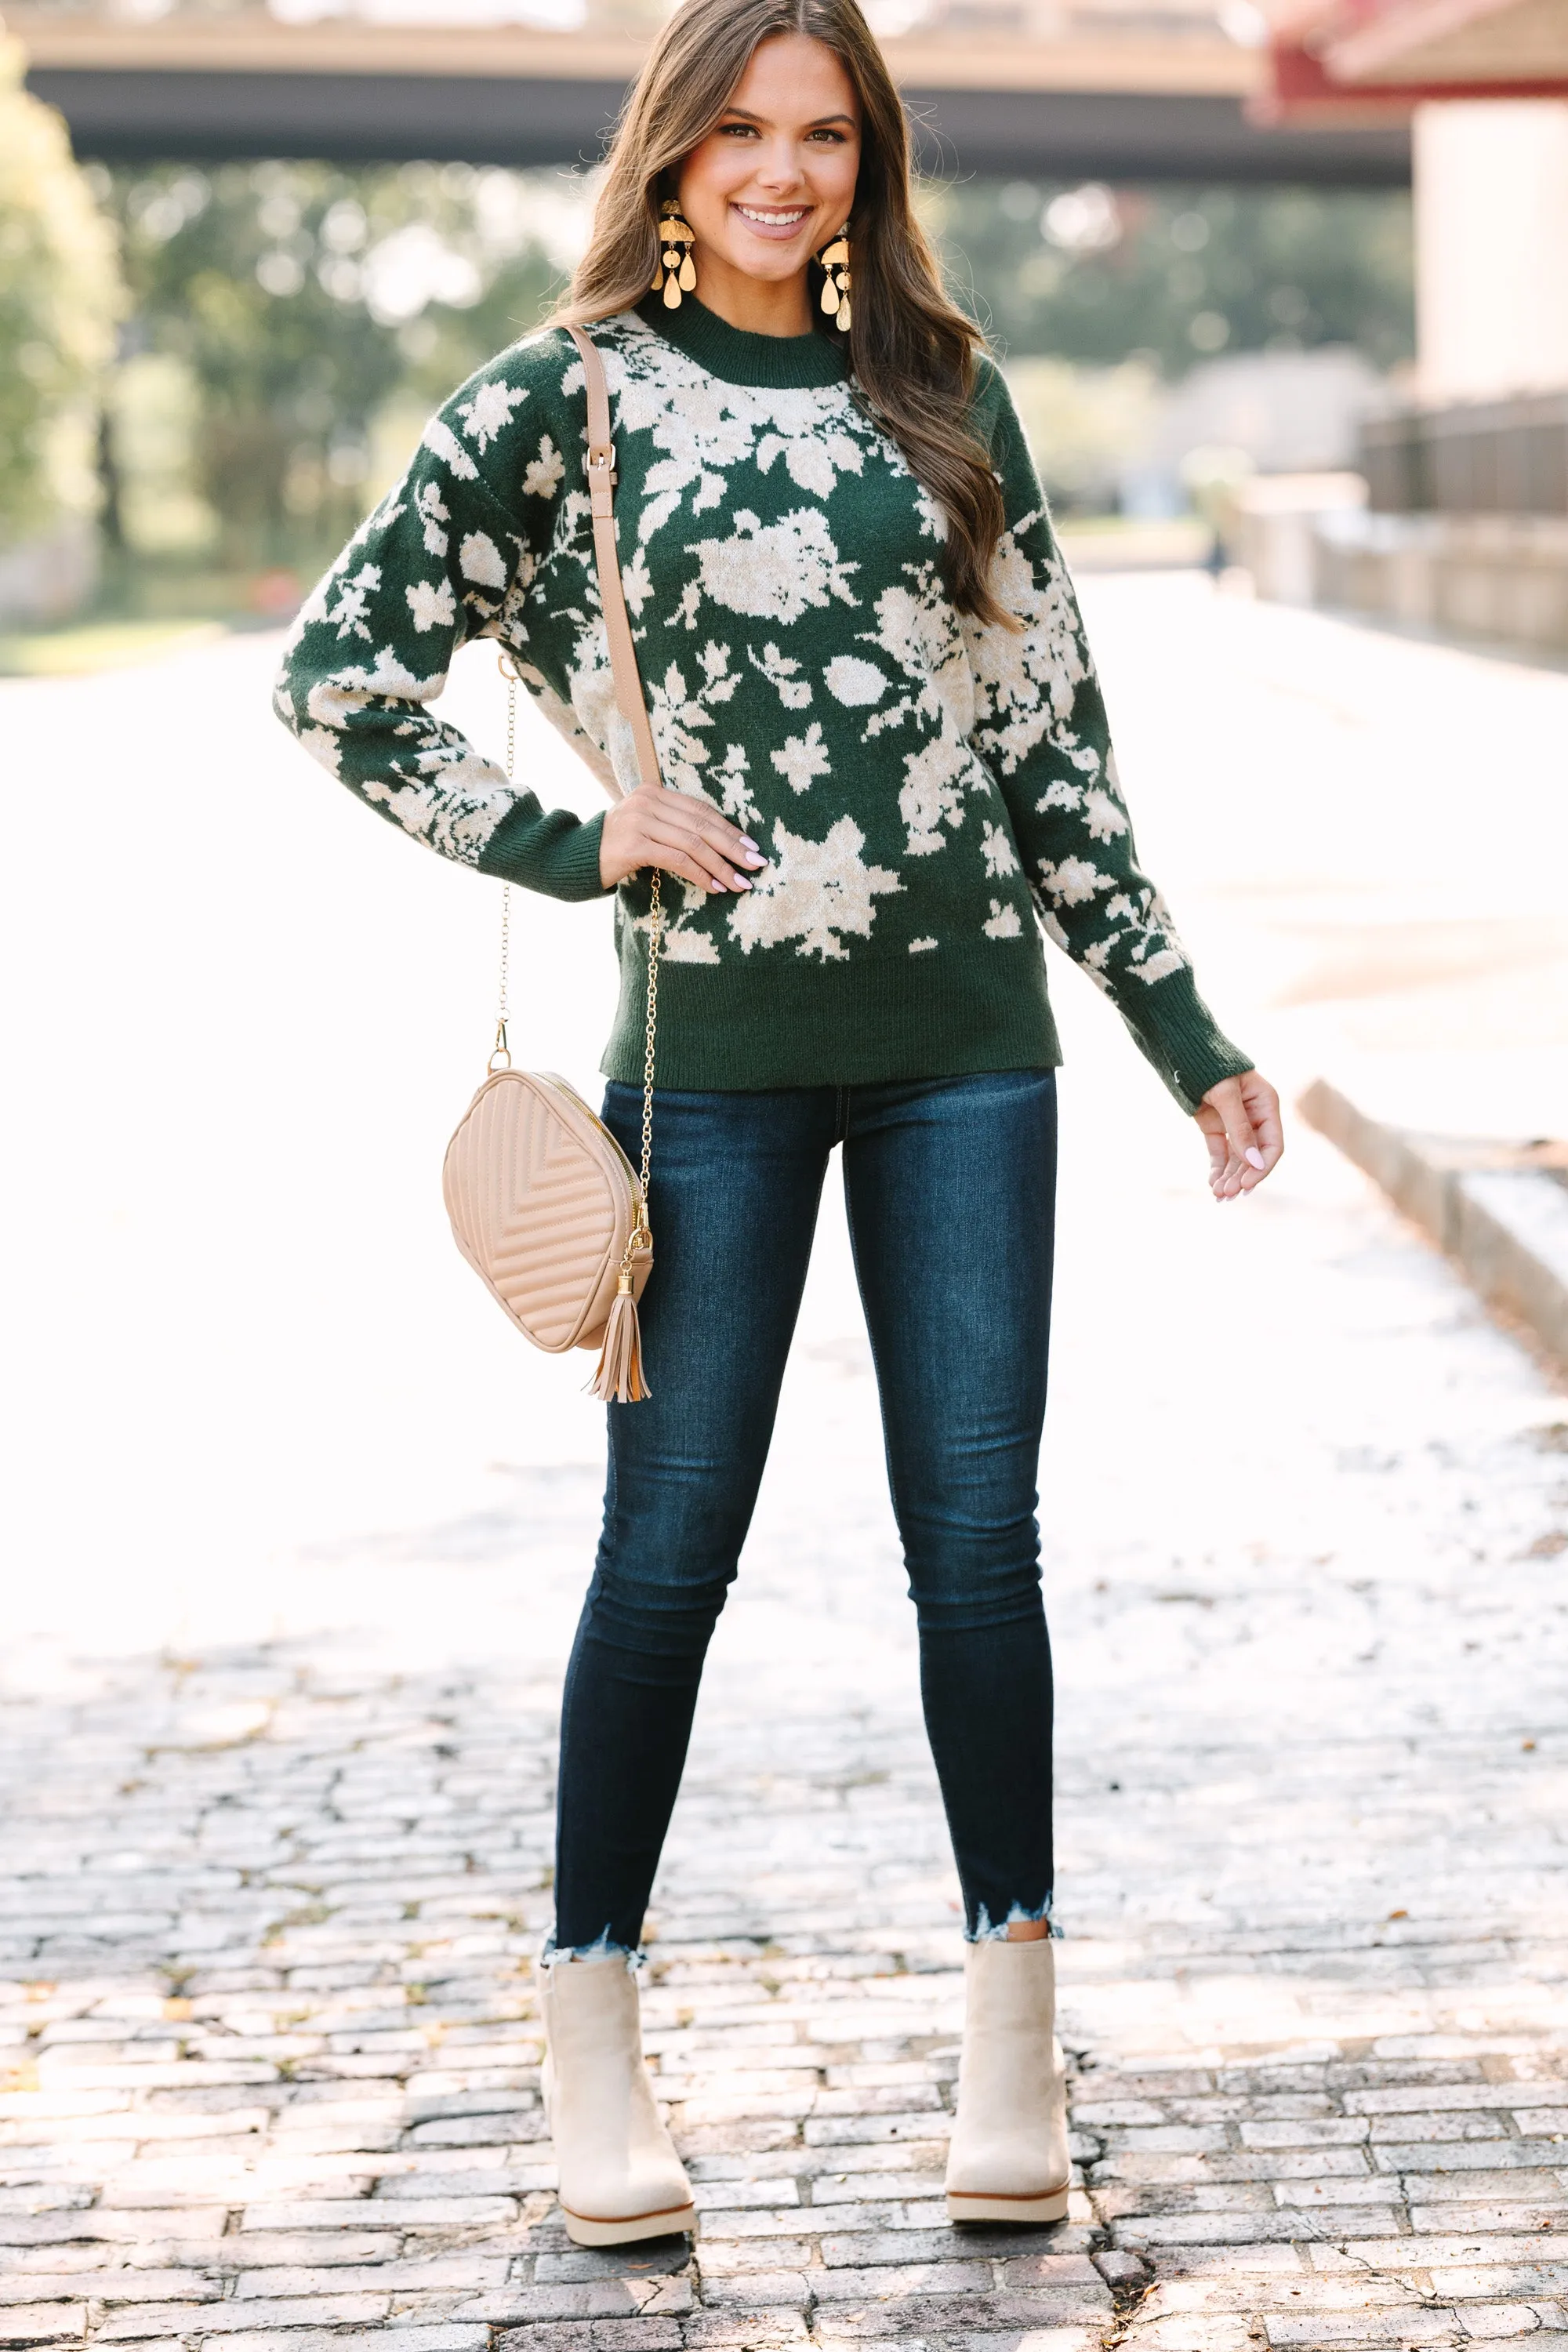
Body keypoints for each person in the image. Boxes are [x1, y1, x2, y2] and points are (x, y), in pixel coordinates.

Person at [275, 0, 1283, 2252]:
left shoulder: (947, 397)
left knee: (977, 1551)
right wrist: (577, 840)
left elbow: (1053, 750)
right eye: (740, 128)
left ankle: (1015, 2034)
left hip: (966, 1052)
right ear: (669, 151)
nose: (782, 170)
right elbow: (339, 672)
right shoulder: (565, 400)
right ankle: (591, 2034)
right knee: (668, 1558)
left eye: (824, 134)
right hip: (701, 1066)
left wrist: (1183, 1032)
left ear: (869, 160)